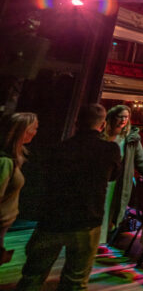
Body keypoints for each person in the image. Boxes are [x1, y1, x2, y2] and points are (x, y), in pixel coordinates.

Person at [17, 104, 121, 291]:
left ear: (77, 122)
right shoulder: (110, 150)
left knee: (32, 276)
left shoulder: (57, 149)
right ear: (103, 124)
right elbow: (113, 176)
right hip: (86, 221)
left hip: (52, 220)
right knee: (76, 282)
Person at [102, 105, 143, 244]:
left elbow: (142, 162)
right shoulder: (101, 136)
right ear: (111, 117)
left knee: (112, 216)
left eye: (126, 117)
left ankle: (104, 244)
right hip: (100, 182)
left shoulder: (131, 139)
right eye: (120, 116)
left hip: (118, 184)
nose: (123, 120)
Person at [0, 112, 39, 264]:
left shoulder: (15, 157)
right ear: (24, 130)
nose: (35, 132)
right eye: (34, 128)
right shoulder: (5, 161)